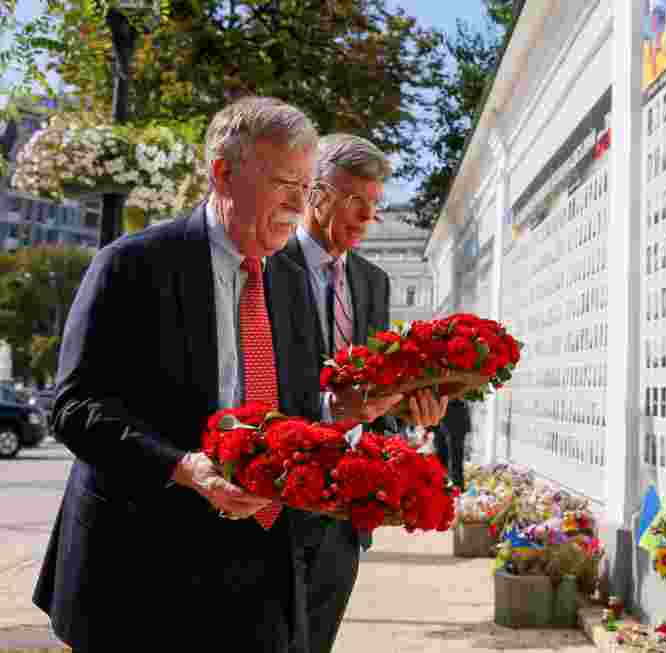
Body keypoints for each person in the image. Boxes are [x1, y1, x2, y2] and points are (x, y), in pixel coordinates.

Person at [31, 97, 415, 652]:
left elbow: (296, 408)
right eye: (283, 184)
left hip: (260, 563)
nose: (297, 204)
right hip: (139, 567)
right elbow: (75, 408)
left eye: (305, 187)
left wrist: (342, 417)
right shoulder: (132, 264)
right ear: (222, 173)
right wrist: (184, 467)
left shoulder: (290, 280)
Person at [283, 133, 448, 650]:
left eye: (374, 203)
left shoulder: (373, 281)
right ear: (315, 192)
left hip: (345, 509)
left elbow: (376, 387)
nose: (367, 217)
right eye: (355, 199)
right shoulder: (265, 265)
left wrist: (410, 411)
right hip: (275, 495)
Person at [436, 399, 471, 490]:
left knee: (455, 459)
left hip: (456, 414)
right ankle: (444, 487)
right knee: (441, 456)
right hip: (440, 416)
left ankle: (456, 489)